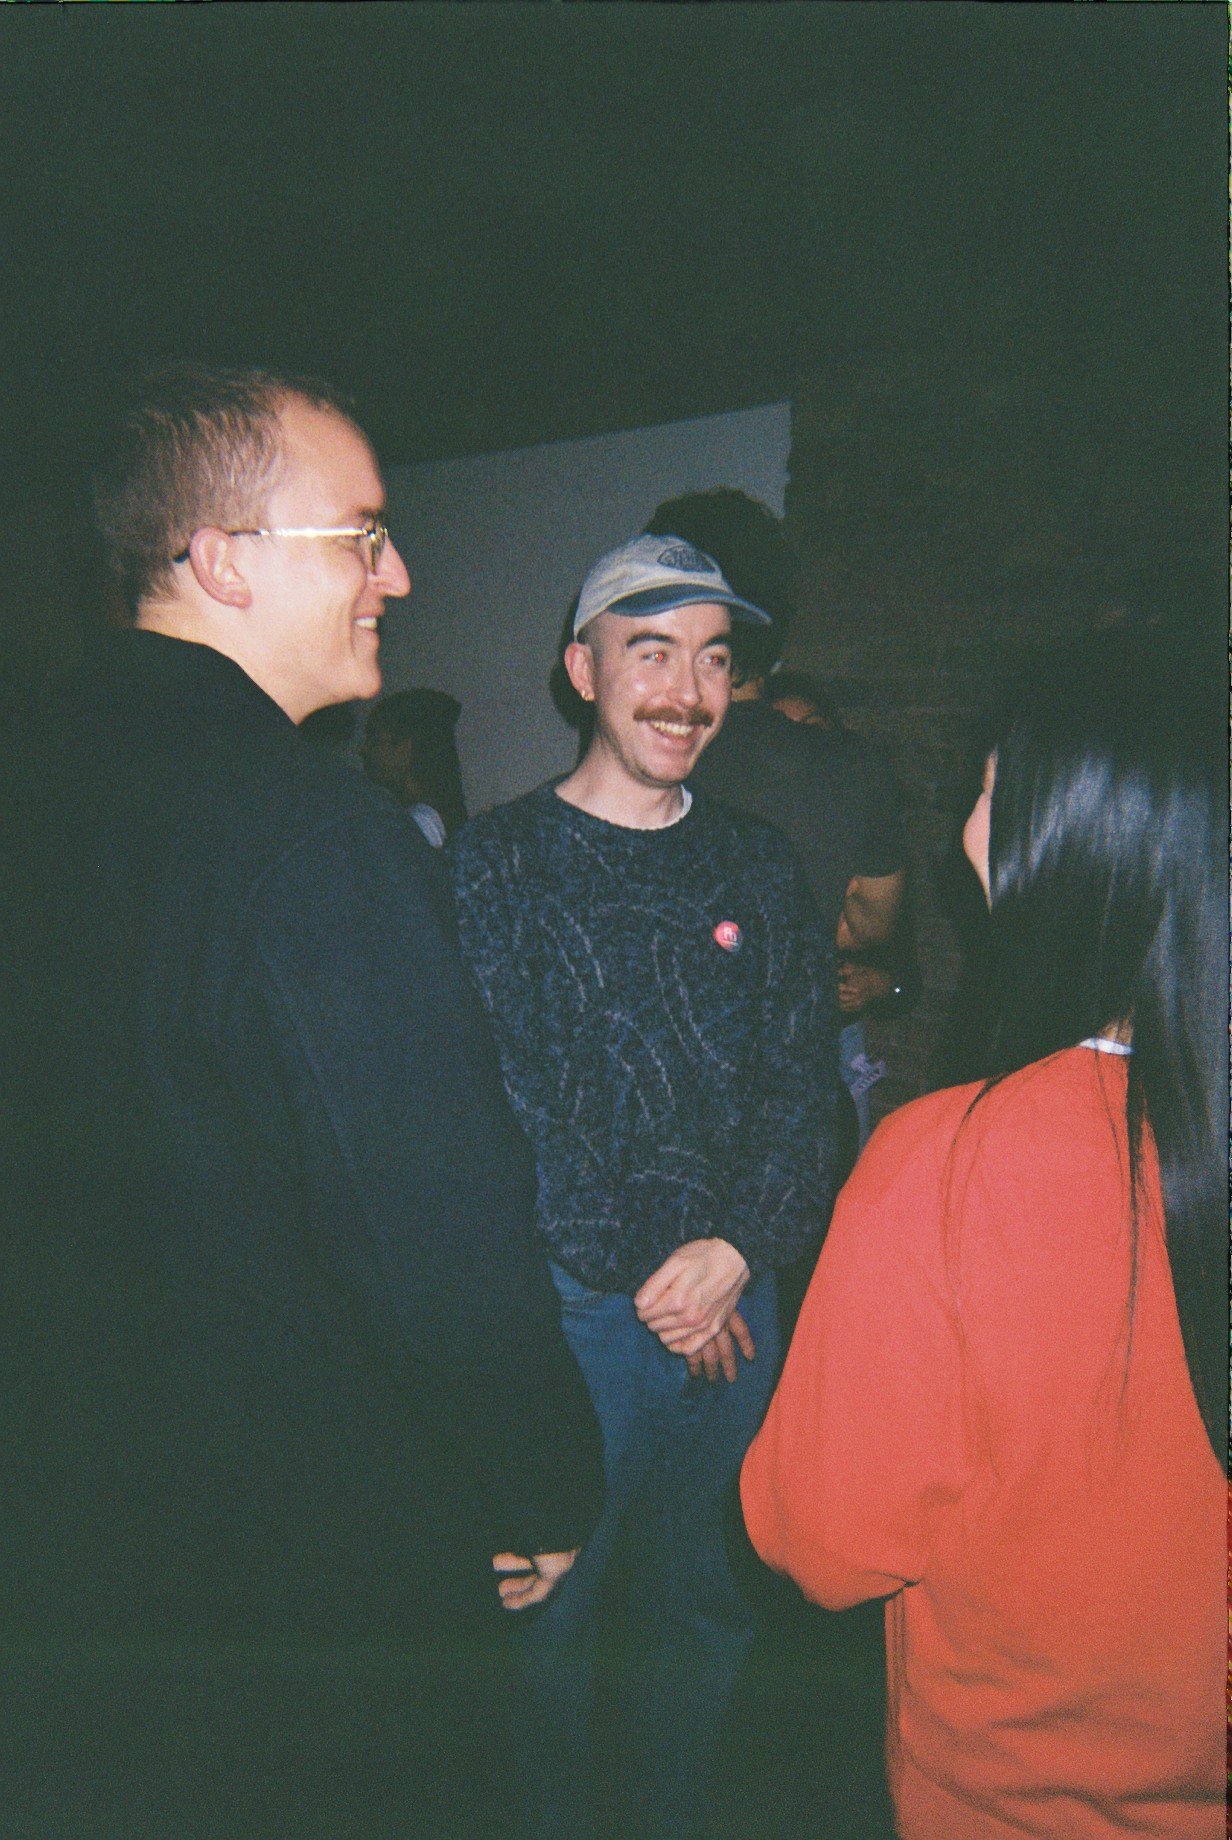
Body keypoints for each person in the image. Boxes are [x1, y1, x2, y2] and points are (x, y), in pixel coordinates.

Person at [7, 365, 602, 1838]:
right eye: (363, 535)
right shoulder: (313, 834)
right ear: (220, 561)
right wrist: (541, 1481)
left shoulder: (44, 782)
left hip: (75, 1520)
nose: (397, 575)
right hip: (302, 1559)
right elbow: (433, 1223)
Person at [741, 624, 1226, 1840]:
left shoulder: (945, 1161)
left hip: (1013, 1801)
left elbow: (821, 1543)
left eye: (989, 786)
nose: (965, 815)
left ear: (1062, 839)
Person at [451, 533, 838, 1840]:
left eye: (715, 660)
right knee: (549, 1620)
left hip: (733, 1300)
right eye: (652, 653)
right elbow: (510, 1110)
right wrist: (669, 1280)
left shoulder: (759, 865)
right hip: (572, 1316)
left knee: (703, 1611)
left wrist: (733, 1251)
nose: (687, 692)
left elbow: (802, 1083)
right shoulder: (494, 864)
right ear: (582, 670)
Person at [654, 494, 907, 1164]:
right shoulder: (850, 769)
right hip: (783, 1110)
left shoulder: (639, 757)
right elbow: (870, 930)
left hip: (657, 1106)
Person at [361, 685, 468, 845]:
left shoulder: (420, 825)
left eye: (374, 740)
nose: (363, 750)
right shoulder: (436, 817)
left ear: (405, 748)